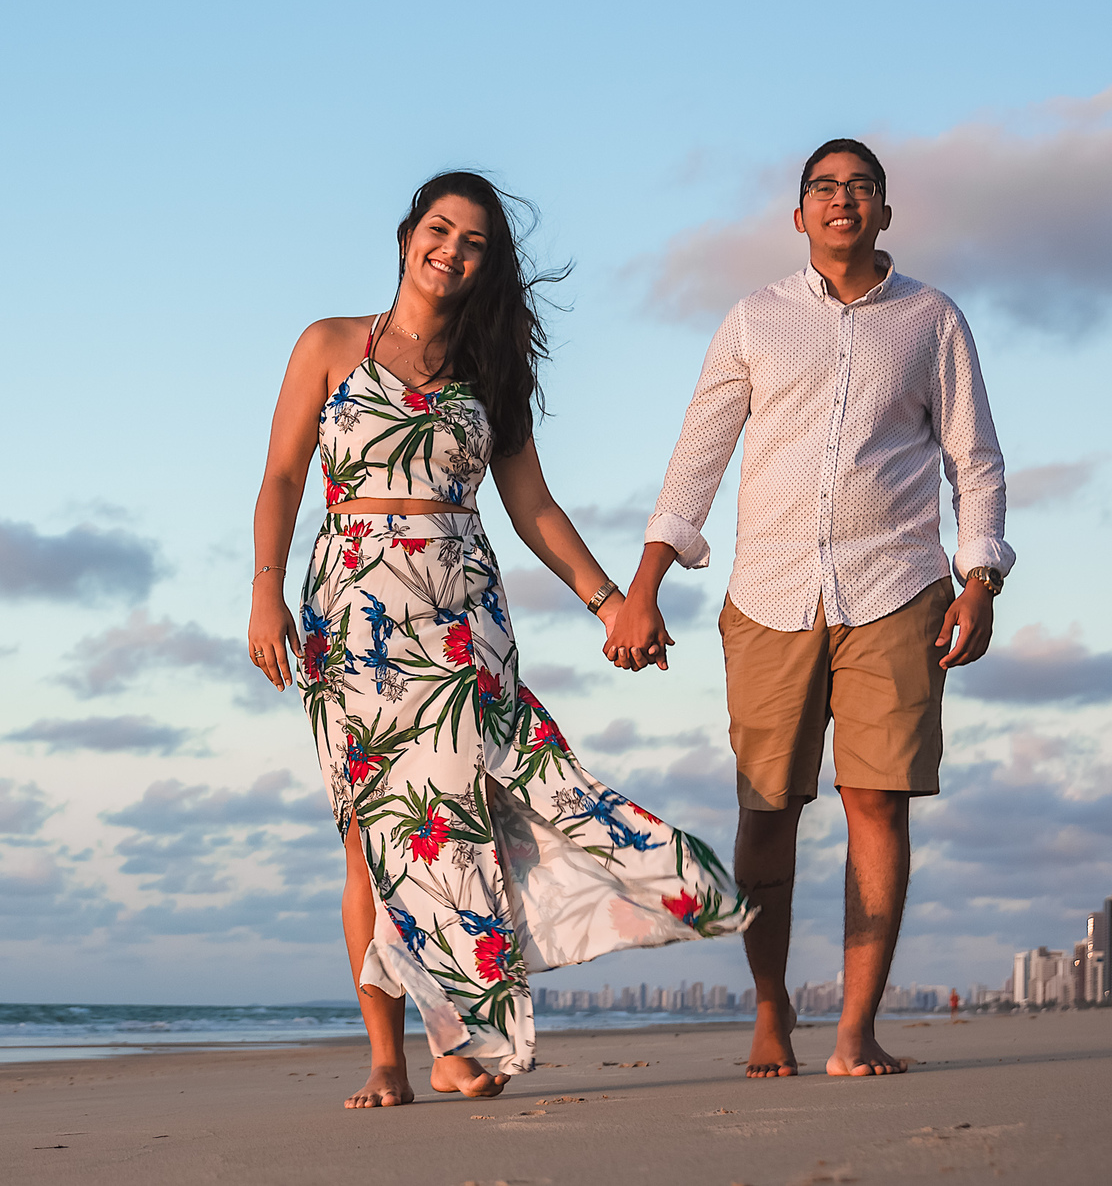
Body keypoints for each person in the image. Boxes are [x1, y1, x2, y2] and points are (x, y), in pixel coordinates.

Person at [248, 171, 750, 1109]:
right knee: (372, 834)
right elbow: (282, 478)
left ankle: (458, 1039)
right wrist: (265, 594)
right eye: (440, 229)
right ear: (407, 236)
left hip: (460, 614)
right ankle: (388, 1059)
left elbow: (533, 507)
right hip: (352, 620)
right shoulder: (327, 346)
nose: (452, 250)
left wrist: (611, 602)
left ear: (489, 264)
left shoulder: (493, 376)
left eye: (475, 241)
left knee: (467, 819)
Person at [606, 139, 1014, 1080]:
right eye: (824, 189)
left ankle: (855, 1028)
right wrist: (644, 585)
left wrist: (981, 577)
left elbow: (975, 460)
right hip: (770, 596)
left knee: (877, 800)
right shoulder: (754, 318)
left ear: (884, 213)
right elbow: (698, 454)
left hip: (897, 587)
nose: (842, 201)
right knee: (767, 809)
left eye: (860, 188)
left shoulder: (931, 319)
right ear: (799, 216)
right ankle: (768, 1006)